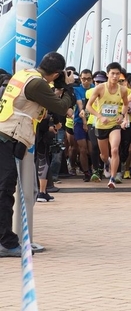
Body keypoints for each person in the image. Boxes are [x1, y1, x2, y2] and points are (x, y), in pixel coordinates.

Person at [0, 52, 75, 257]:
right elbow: (61, 107)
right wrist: (67, 88)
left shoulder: (24, 75)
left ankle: (6, 240)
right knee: (5, 191)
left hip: (8, 135)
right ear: (57, 73)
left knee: (5, 190)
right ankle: (6, 242)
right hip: (7, 138)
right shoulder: (37, 83)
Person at [86, 62, 129, 189]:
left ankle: (112, 178)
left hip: (114, 124)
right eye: (112, 74)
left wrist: (122, 115)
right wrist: (100, 116)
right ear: (107, 74)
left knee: (115, 150)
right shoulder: (100, 88)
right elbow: (88, 106)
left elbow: (126, 104)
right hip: (101, 125)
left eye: (117, 74)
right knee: (104, 155)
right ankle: (106, 163)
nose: (115, 76)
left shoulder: (123, 90)